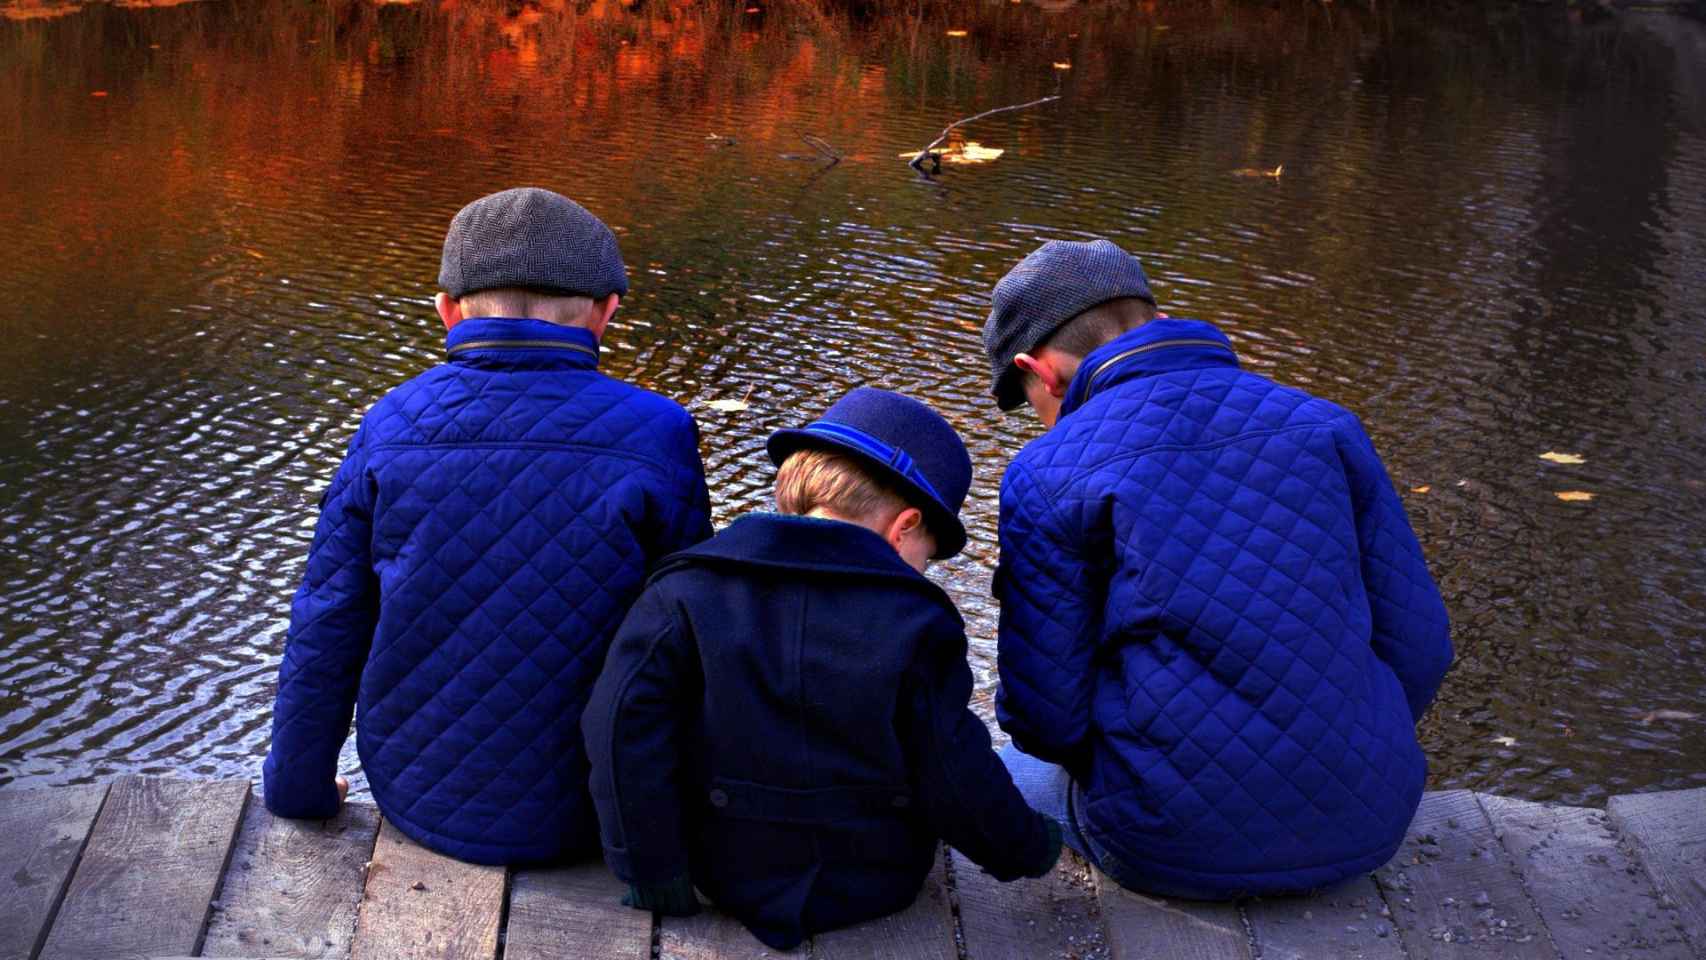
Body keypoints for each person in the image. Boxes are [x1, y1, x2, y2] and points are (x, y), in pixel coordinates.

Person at [983, 238, 1453, 898]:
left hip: (1166, 843)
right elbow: (1422, 646)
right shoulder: (1326, 427)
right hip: (1371, 818)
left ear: (1042, 371)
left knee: (995, 775)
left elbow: (1044, 718)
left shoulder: (1047, 472)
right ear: (1164, 323)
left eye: (1029, 397)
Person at [261, 187, 712, 865]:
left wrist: (298, 788)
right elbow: (695, 631)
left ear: (447, 311)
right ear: (606, 314)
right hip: (596, 811)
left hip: (418, 797)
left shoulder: (391, 423)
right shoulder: (659, 434)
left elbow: (328, 620)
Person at [583, 388, 1061, 950]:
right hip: (875, 881)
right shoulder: (915, 622)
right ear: (904, 525)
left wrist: (650, 869)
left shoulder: (686, 589)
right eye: (927, 555)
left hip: (722, 870)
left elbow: (619, 728)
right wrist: (1027, 847)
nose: (922, 571)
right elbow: (954, 771)